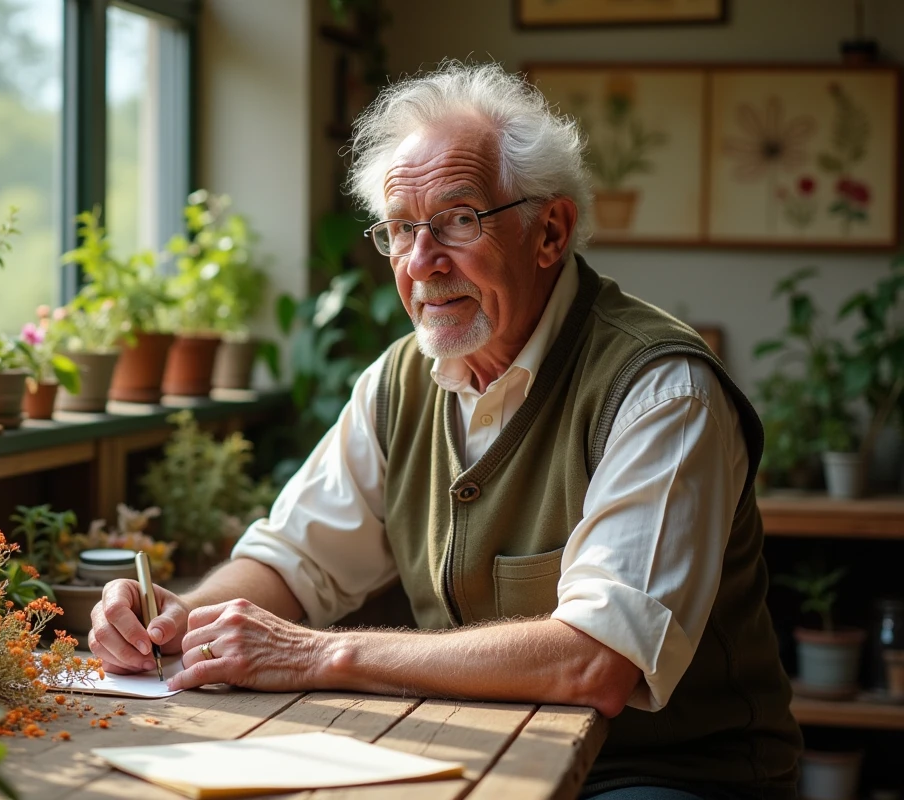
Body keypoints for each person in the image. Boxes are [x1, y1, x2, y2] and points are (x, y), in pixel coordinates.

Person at [89, 62, 802, 800]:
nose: (421, 263)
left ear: (549, 231)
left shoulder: (661, 389)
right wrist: (180, 621)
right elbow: (294, 559)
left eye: (458, 220)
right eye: (400, 228)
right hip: (472, 745)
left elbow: (597, 662)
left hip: (663, 773)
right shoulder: (400, 381)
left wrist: (319, 655)